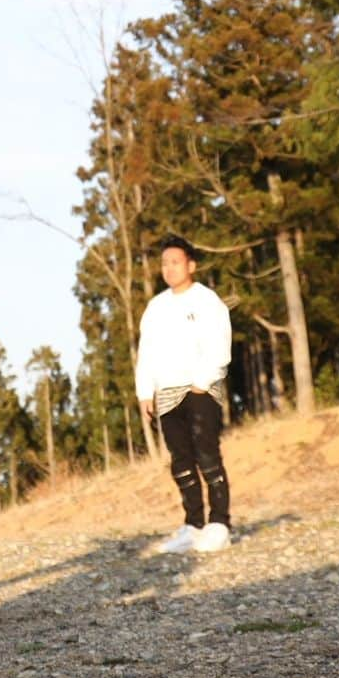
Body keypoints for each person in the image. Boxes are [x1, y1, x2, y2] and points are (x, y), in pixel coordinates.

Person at [136, 236, 232, 553]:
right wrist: (144, 392)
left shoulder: (207, 301)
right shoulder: (156, 307)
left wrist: (202, 383)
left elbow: (220, 345)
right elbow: (146, 351)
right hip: (165, 392)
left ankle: (219, 524)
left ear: (191, 265)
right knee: (181, 462)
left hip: (199, 389)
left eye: (175, 262)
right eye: (164, 263)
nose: (169, 268)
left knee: (207, 456)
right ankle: (193, 525)